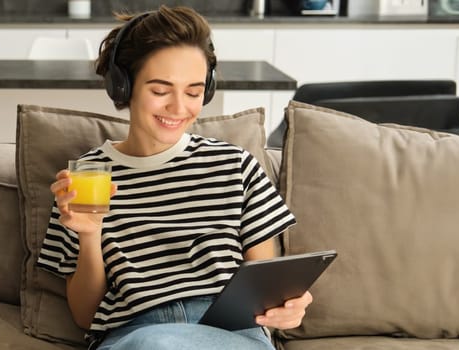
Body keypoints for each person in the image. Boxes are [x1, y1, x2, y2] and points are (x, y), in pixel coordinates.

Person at [36, 5, 311, 350]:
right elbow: (85, 315)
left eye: (194, 92)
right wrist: (90, 236)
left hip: (231, 336)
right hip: (137, 335)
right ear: (123, 86)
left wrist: (288, 307)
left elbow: (266, 287)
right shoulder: (86, 178)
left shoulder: (236, 167)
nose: (179, 108)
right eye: (160, 91)